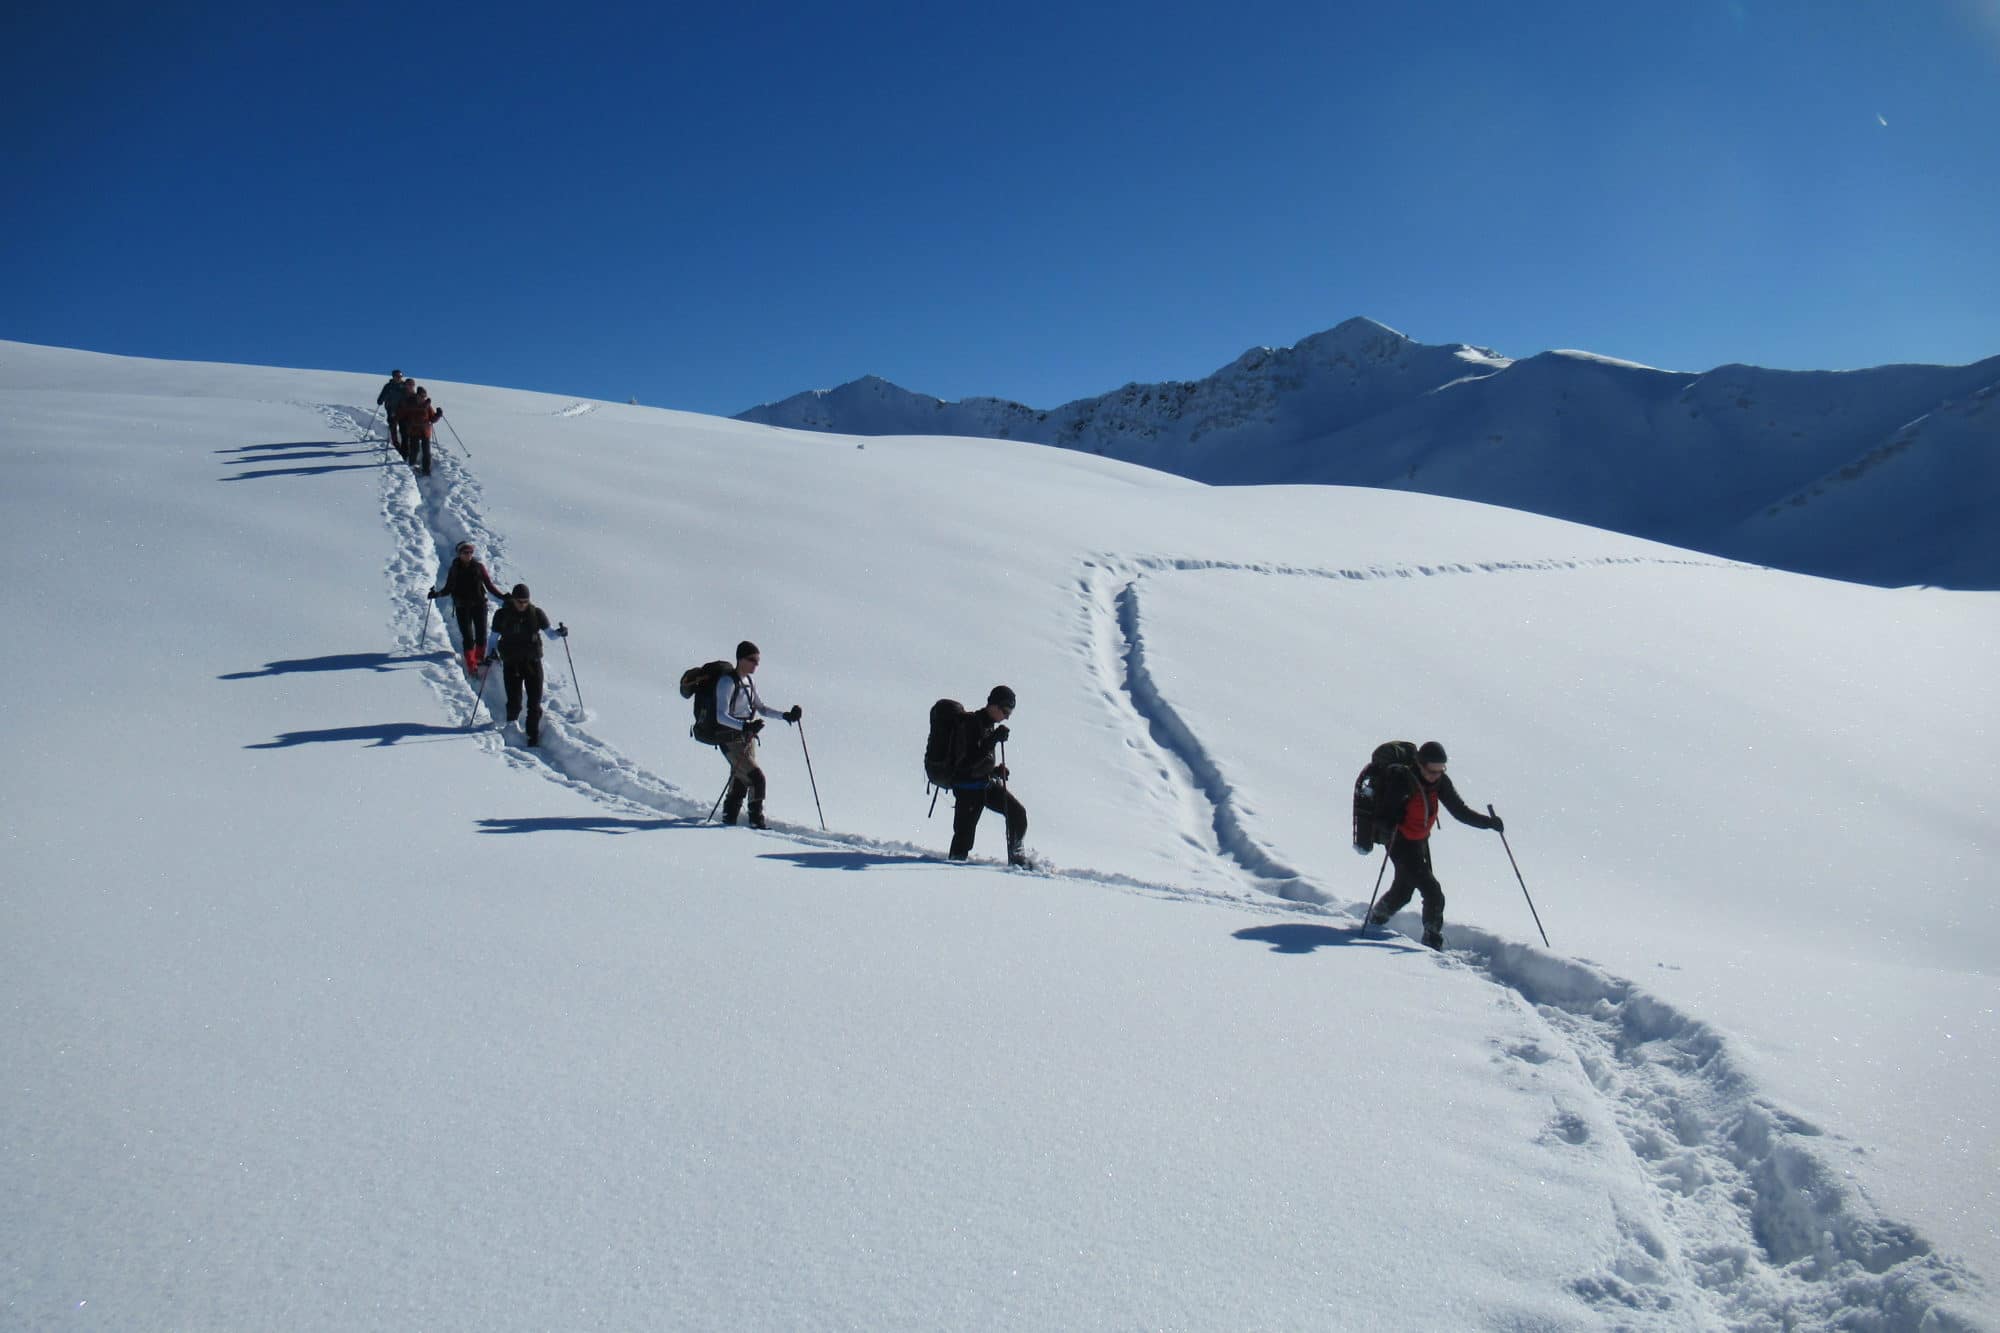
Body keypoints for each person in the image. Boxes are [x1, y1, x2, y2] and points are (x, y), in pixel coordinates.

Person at [1365, 740, 1502, 950]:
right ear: (1420, 764)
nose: (1436, 775)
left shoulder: (1440, 782)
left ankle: (1374, 920)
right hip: (1400, 843)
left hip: (1419, 841)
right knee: (1433, 892)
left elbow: (1459, 811)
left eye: (1441, 770)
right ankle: (1432, 942)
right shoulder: (1402, 780)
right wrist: (1393, 816)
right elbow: (1383, 818)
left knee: (1403, 891)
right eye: (1432, 770)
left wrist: (1488, 823)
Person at [710, 640, 800, 829]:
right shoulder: (727, 682)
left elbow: (760, 708)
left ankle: (729, 819)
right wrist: (745, 727)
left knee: (742, 778)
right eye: (752, 660)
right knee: (757, 778)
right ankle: (756, 822)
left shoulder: (749, 681)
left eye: (757, 661)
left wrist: (785, 716)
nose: (756, 664)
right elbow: (720, 715)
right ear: (740, 659)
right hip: (730, 738)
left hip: (746, 739)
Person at [945, 685, 1029, 866]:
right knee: (964, 839)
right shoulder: (971, 723)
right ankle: (952, 872)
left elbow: (979, 758)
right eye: (1006, 711)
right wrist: (993, 740)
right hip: (967, 789)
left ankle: (1017, 859)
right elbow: (967, 762)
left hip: (984, 784)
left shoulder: (989, 725)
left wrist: (994, 770)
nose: (1007, 716)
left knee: (1017, 813)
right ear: (994, 705)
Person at [485, 584, 566, 747]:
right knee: (514, 700)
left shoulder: (536, 614)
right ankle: (512, 729)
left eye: (525, 601)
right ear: (513, 599)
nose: (522, 604)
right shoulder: (502, 615)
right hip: (511, 663)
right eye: (519, 601)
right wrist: (490, 653)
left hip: (532, 663)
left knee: (534, 701)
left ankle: (533, 735)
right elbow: (493, 638)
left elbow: (550, 634)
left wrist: (560, 632)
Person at [426, 540, 506, 673]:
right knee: (468, 636)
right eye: (465, 552)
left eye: (470, 552)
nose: (468, 555)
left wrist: (503, 597)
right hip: (462, 607)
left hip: (479, 605)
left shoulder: (479, 567)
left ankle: (479, 659)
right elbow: (449, 588)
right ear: (459, 554)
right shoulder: (455, 569)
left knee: (481, 634)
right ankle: (471, 664)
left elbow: (489, 585)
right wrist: (437, 594)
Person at [395, 385, 442, 475]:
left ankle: (425, 470)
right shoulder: (411, 404)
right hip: (415, 430)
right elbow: (403, 415)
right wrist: (396, 418)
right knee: (415, 450)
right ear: (418, 394)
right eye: (422, 395)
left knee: (426, 452)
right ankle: (412, 466)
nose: (423, 397)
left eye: (424, 395)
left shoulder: (427, 405)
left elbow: (432, 419)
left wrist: (438, 414)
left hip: (424, 431)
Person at [374, 369, 410, 456]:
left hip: (402, 411)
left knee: (404, 430)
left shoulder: (404, 386)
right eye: (397, 376)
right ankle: (396, 445)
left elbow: (410, 396)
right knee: (393, 428)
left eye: (400, 376)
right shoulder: (388, 386)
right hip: (391, 410)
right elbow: (383, 395)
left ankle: (405, 450)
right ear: (393, 377)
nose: (399, 378)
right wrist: (380, 400)